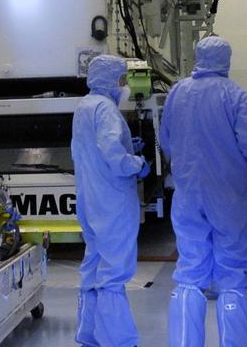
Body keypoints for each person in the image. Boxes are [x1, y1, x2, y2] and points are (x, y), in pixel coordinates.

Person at [159, 35, 247, 347]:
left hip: (187, 194)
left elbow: (166, 141)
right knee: (232, 276)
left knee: (189, 272)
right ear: (227, 61)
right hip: (227, 196)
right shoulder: (236, 97)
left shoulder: (177, 93)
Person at [73, 54, 151, 347]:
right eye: (121, 80)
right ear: (110, 79)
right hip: (112, 202)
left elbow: (88, 150)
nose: (124, 86)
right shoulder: (105, 109)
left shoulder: (84, 106)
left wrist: (127, 144)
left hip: (90, 199)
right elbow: (112, 155)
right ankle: (117, 340)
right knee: (114, 272)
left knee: (93, 265)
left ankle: (89, 334)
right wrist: (136, 162)